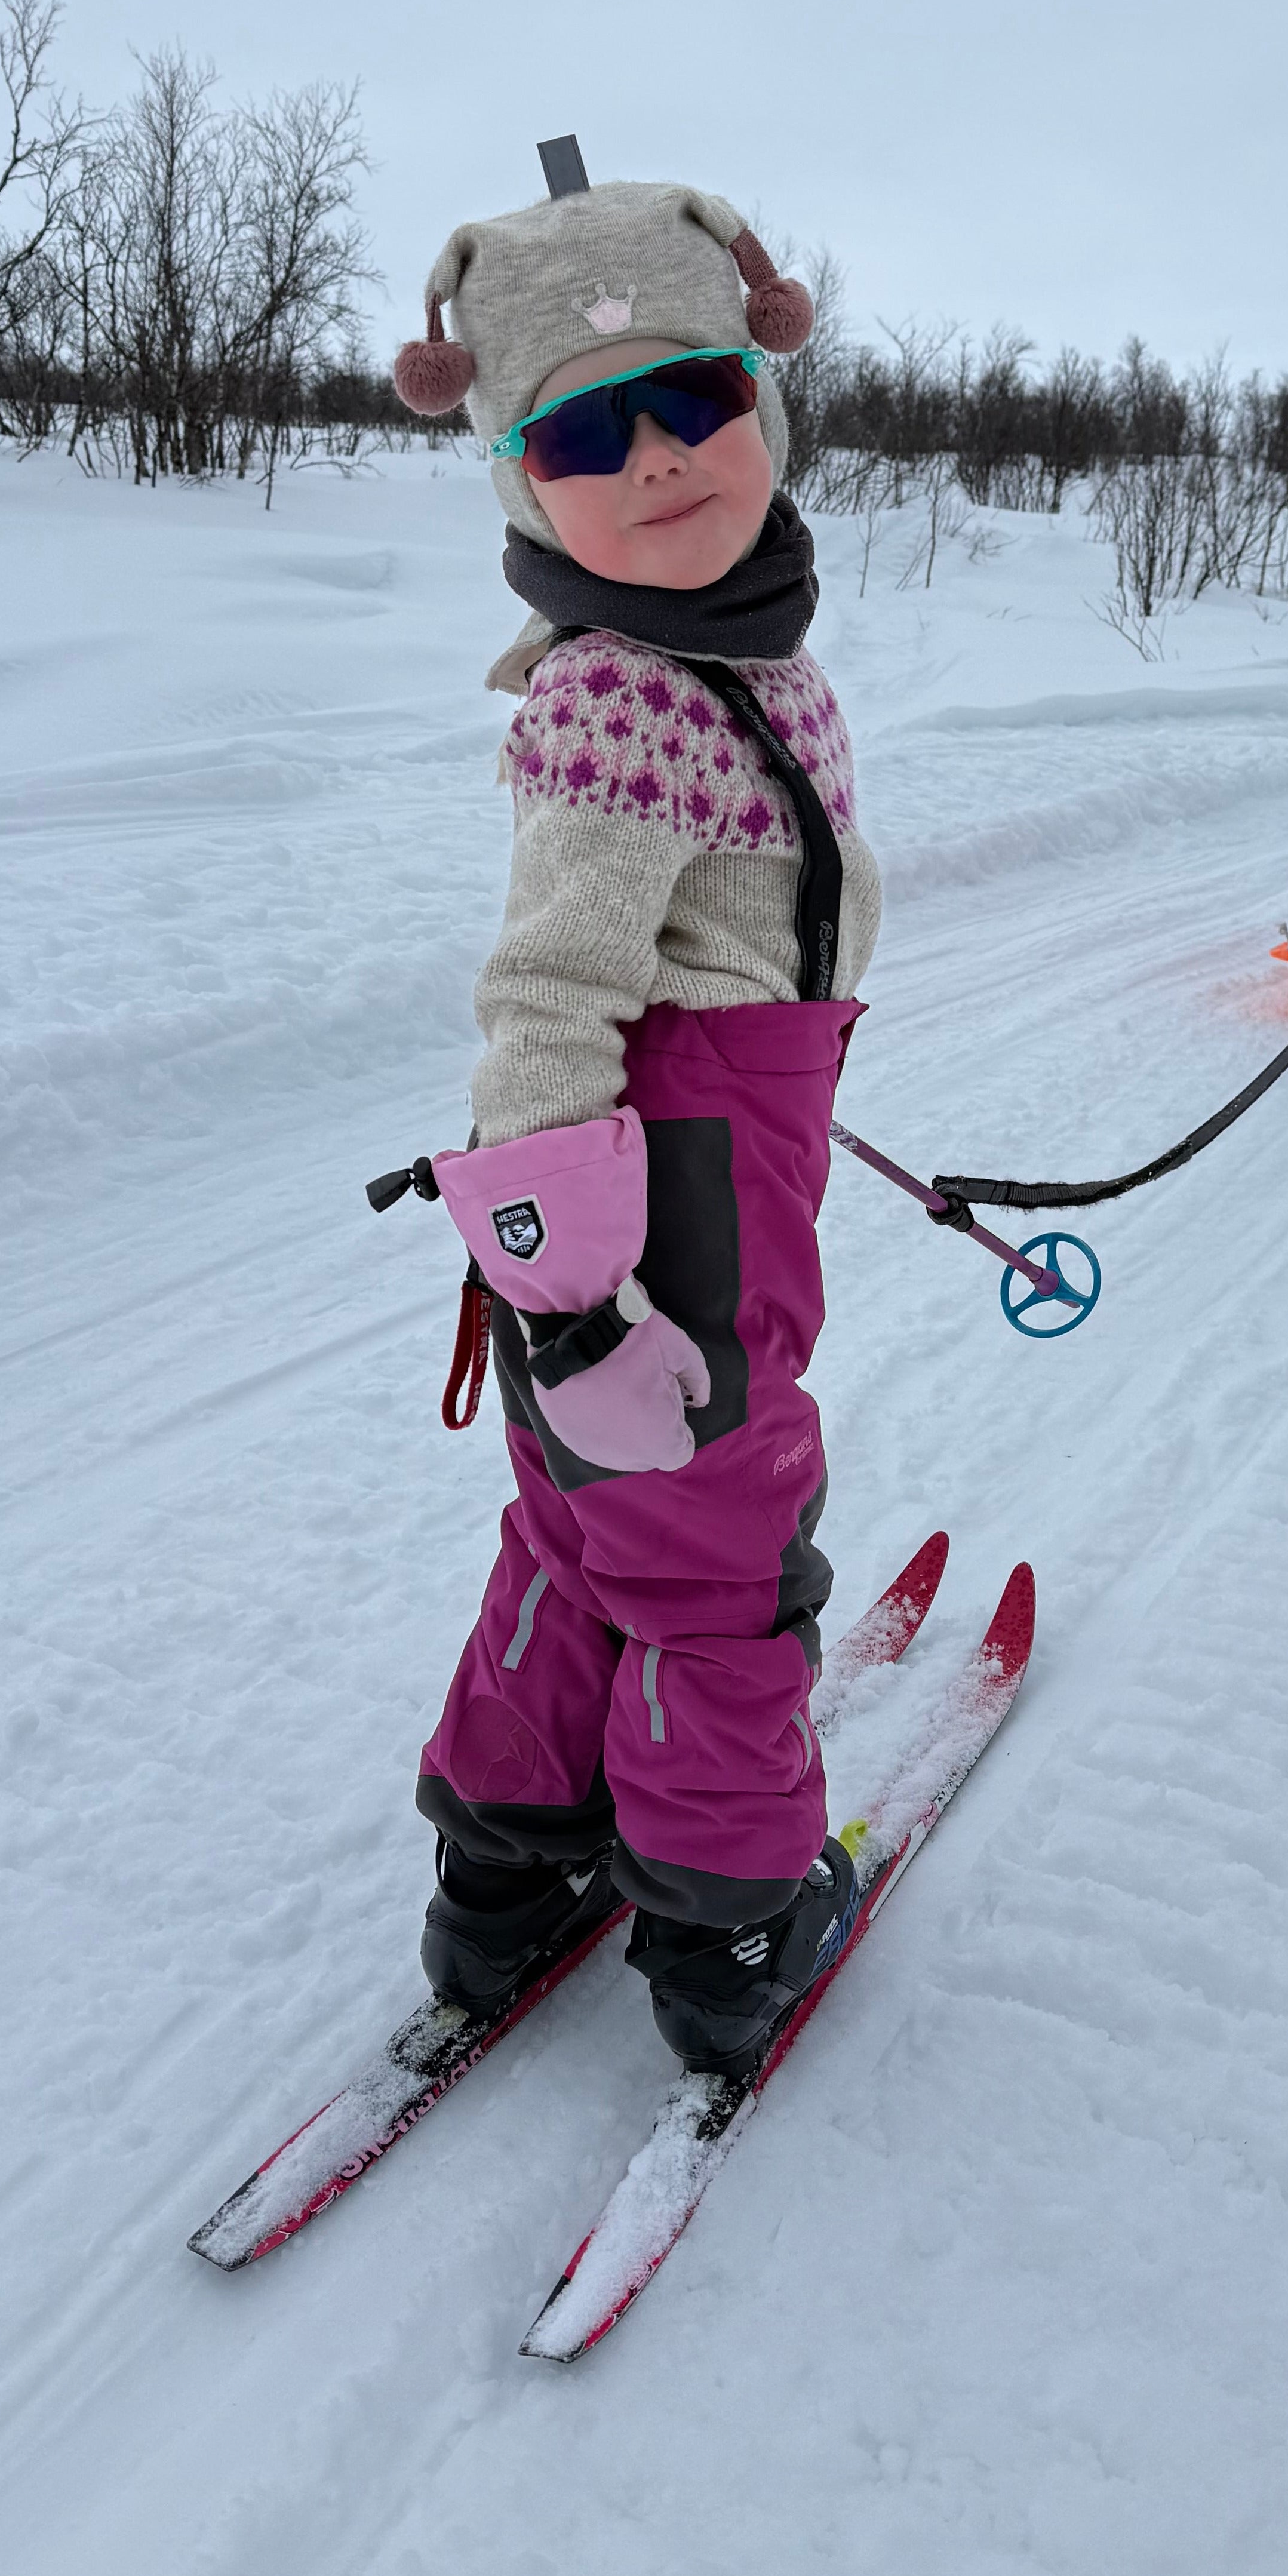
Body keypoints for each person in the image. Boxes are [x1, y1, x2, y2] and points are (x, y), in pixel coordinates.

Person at [388, 173, 883, 2077]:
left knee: (587, 1527)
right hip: (651, 1201)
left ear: (765, 395)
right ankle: (728, 1923)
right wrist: (575, 1303)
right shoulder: (618, 695)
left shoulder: (737, 658)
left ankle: (508, 1863)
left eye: (694, 398)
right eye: (585, 434)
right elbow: (546, 1002)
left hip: (713, 1136)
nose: (658, 458)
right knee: (714, 1551)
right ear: (520, 481)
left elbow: (731, 930)